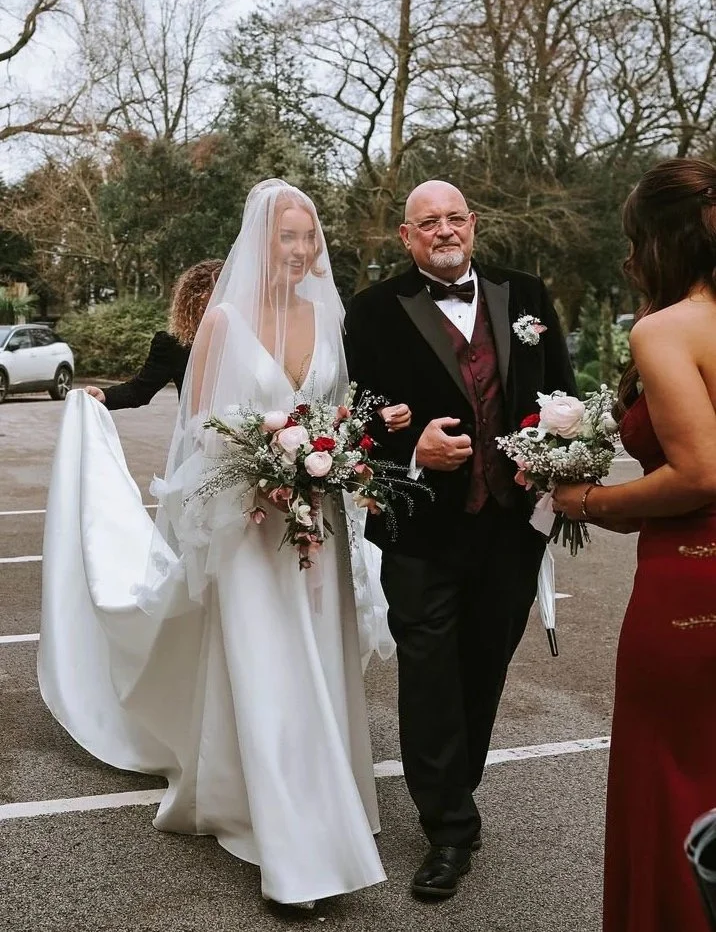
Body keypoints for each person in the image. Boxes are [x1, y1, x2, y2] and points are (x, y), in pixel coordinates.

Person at [39, 179, 408, 909]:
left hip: (322, 523)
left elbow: (335, 412)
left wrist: (348, 452)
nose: (302, 250)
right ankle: (294, 857)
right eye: (288, 237)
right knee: (270, 670)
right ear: (261, 241)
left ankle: (322, 803)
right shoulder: (224, 322)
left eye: (310, 237)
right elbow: (200, 432)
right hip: (251, 526)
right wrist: (263, 479)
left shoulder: (327, 316)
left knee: (321, 667)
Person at [344, 179, 575, 900]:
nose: (444, 231)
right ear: (407, 238)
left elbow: (561, 390)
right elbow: (357, 411)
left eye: (455, 219)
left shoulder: (525, 290)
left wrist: (561, 455)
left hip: (512, 525)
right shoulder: (374, 310)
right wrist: (415, 448)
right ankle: (449, 828)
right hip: (421, 530)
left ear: (472, 226)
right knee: (431, 673)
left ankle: (454, 786)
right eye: (428, 223)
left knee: (484, 666)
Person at [552, 158, 716, 932]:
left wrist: (592, 501)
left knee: (674, 781)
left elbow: (699, 473)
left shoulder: (666, 329)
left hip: (691, 584)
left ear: (659, 240)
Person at [85, 259, 223, 409]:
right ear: (189, 305)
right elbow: (139, 390)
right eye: (201, 304)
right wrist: (104, 395)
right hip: (199, 429)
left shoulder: (247, 340)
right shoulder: (174, 345)